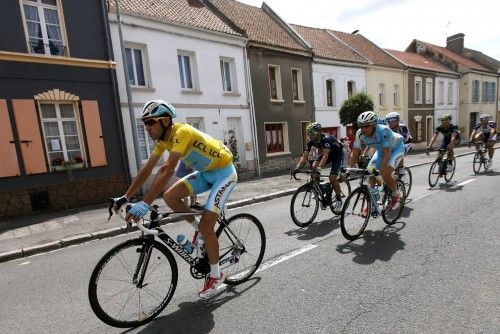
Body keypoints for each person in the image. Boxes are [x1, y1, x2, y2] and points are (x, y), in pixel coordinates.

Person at [112, 100, 236, 299]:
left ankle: (216, 274)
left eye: (150, 122)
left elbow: (167, 168)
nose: (147, 128)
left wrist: (145, 203)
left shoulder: (182, 133)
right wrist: (126, 196)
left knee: (207, 227)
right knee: (170, 197)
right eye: (145, 123)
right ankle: (200, 231)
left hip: (224, 174)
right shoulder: (163, 141)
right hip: (205, 173)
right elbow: (147, 169)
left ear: (165, 121)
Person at [348, 111, 405, 212]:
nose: (364, 129)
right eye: (361, 126)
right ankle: (374, 202)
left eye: (366, 126)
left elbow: (387, 154)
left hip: (396, 149)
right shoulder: (360, 133)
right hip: (381, 151)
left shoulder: (384, 131)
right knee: (370, 174)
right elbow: (355, 152)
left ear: (374, 125)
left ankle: (396, 194)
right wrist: (348, 169)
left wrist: (381, 171)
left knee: (386, 174)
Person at [292, 122, 345, 209]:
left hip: (337, 154)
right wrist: (297, 168)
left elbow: (325, 156)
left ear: (319, 133)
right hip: (326, 153)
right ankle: (319, 188)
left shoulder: (326, 138)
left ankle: (339, 199)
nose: (310, 136)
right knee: (313, 167)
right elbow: (304, 157)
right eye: (309, 134)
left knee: (332, 178)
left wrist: (319, 170)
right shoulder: (311, 142)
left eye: (312, 134)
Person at [385, 112, 414, 177]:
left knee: (400, 150)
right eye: (388, 121)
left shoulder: (402, 127)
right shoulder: (387, 129)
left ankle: (401, 169)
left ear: (398, 120)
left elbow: (402, 140)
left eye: (393, 121)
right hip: (394, 145)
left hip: (407, 143)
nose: (390, 123)